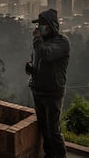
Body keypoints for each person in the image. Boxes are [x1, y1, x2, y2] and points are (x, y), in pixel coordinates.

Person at [26, 9, 70, 158]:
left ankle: (60, 155)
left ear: (51, 25)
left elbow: (46, 55)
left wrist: (36, 40)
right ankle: (49, 154)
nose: (39, 28)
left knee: (53, 129)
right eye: (39, 25)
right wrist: (31, 67)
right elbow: (37, 59)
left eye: (42, 24)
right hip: (38, 90)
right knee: (43, 127)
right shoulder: (41, 42)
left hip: (53, 92)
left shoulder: (62, 42)